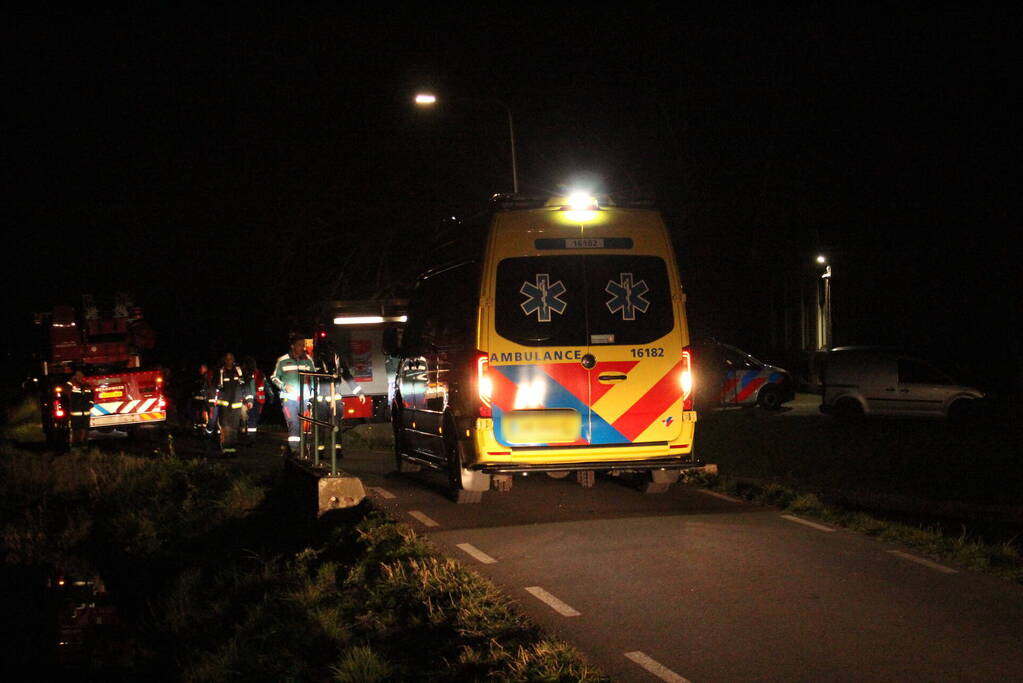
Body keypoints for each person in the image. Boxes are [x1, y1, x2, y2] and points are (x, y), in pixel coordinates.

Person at [313, 340, 366, 457]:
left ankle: (338, 451)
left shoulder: (339, 362)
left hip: (336, 399)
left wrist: (360, 393)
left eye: (333, 352)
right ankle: (320, 452)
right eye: (329, 352)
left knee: (336, 426)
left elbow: (347, 377)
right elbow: (311, 381)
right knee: (321, 427)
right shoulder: (317, 362)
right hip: (321, 400)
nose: (332, 355)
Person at [272, 336, 317, 455]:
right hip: (289, 399)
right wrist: (284, 386)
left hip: (305, 398)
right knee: (293, 423)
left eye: (304, 345)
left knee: (306, 426)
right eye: (300, 345)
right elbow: (274, 378)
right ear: (292, 346)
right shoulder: (282, 360)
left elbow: (313, 377)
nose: (303, 348)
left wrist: (313, 394)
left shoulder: (308, 360)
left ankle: (305, 450)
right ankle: (295, 450)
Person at [213, 352, 250, 456]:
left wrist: (248, 400)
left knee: (234, 428)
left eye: (231, 359)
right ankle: (225, 450)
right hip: (224, 406)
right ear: (224, 360)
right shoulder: (220, 371)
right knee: (225, 428)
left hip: (236, 405)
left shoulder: (239, 371)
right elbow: (216, 387)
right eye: (227, 359)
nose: (229, 361)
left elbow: (245, 385)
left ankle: (232, 450)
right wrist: (214, 401)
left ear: (234, 360)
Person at [241, 356, 268, 444]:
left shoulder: (250, 374)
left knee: (252, 418)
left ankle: (250, 436)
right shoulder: (255, 374)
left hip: (255, 400)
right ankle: (251, 438)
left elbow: (265, 385)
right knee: (253, 418)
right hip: (255, 400)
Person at [67, 367, 93, 448]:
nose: (80, 376)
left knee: (85, 429)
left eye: (81, 375)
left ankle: (84, 445)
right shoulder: (70, 384)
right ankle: (76, 445)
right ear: (75, 375)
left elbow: (91, 395)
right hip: (76, 412)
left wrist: (91, 404)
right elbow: (67, 394)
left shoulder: (86, 384)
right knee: (76, 430)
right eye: (78, 375)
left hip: (85, 412)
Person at [187, 363, 211, 434]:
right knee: (196, 410)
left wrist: (204, 395)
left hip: (205, 398)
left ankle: (204, 428)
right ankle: (199, 426)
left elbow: (206, 387)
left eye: (202, 368)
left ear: (205, 368)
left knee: (203, 411)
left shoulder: (207, 377)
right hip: (200, 398)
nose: (200, 370)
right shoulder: (201, 377)